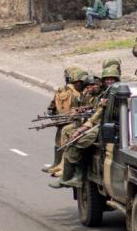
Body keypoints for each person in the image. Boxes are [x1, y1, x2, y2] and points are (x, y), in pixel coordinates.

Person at [50, 60, 121, 188]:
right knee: (73, 137)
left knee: (78, 142)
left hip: (113, 127)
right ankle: (67, 176)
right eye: (107, 79)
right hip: (100, 124)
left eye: (112, 79)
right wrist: (84, 127)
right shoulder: (106, 94)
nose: (109, 82)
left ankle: (74, 176)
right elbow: (98, 113)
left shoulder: (120, 94)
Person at [41, 66, 88, 174]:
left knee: (66, 142)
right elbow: (54, 103)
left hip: (74, 122)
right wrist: (51, 111)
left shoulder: (84, 92)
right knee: (59, 140)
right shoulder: (66, 90)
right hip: (64, 120)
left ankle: (63, 166)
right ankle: (57, 163)